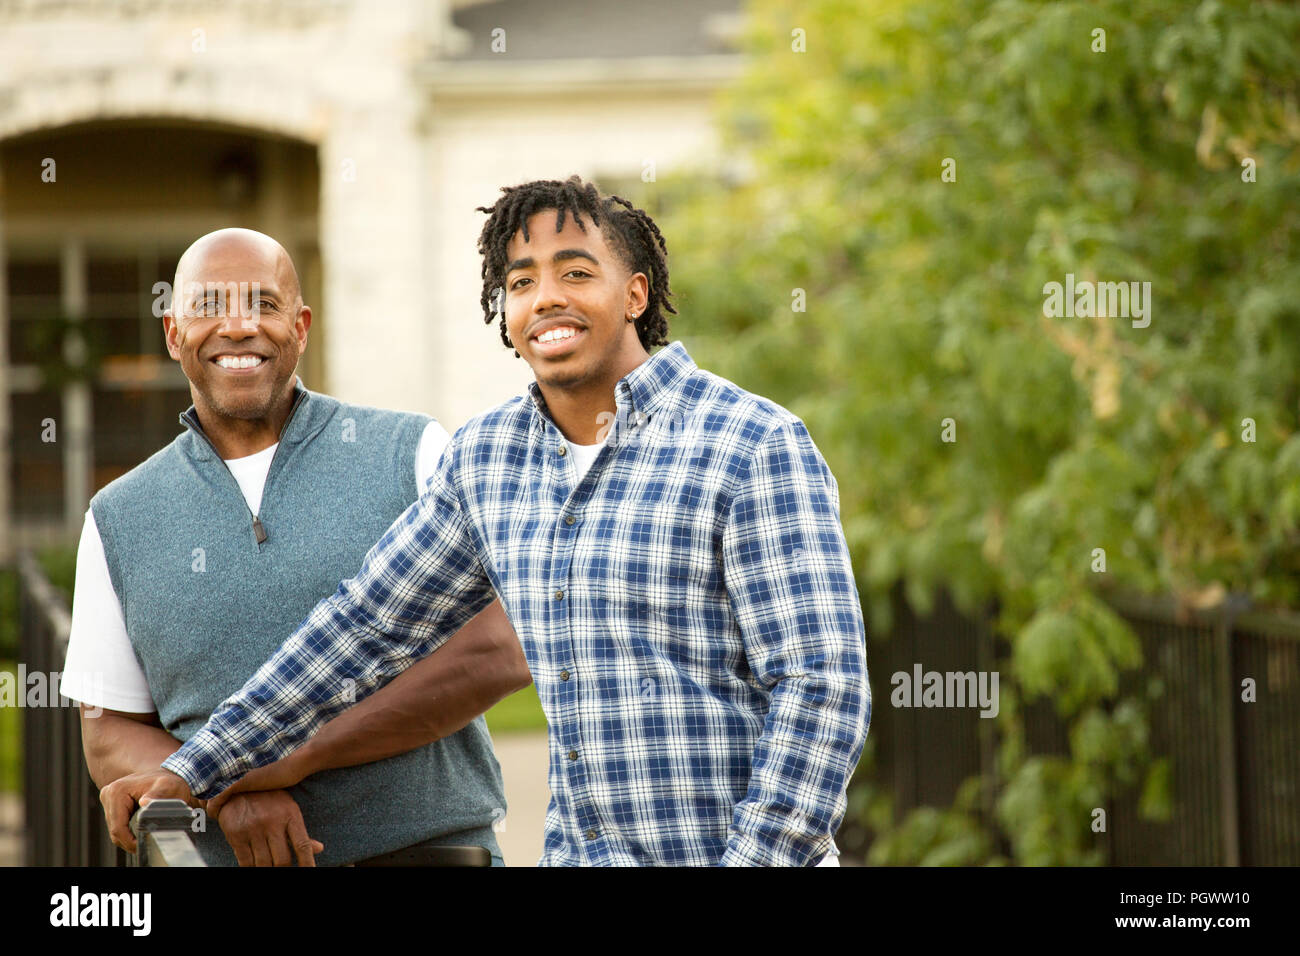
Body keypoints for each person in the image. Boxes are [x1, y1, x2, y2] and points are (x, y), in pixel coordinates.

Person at [102, 177, 870, 866]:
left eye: (576, 272)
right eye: (522, 281)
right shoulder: (488, 460)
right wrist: (195, 768)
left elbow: (821, 688)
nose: (548, 299)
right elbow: (361, 630)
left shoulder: (750, 443)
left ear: (635, 294)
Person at [62, 228, 530, 866]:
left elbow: (498, 651)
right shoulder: (117, 517)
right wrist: (230, 792)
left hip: (428, 854)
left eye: (262, 303)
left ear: (300, 325)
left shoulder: (413, 454)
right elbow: (108, 728)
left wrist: (287, 760)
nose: (237, 327)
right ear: (173, 334)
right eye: (208, 307)